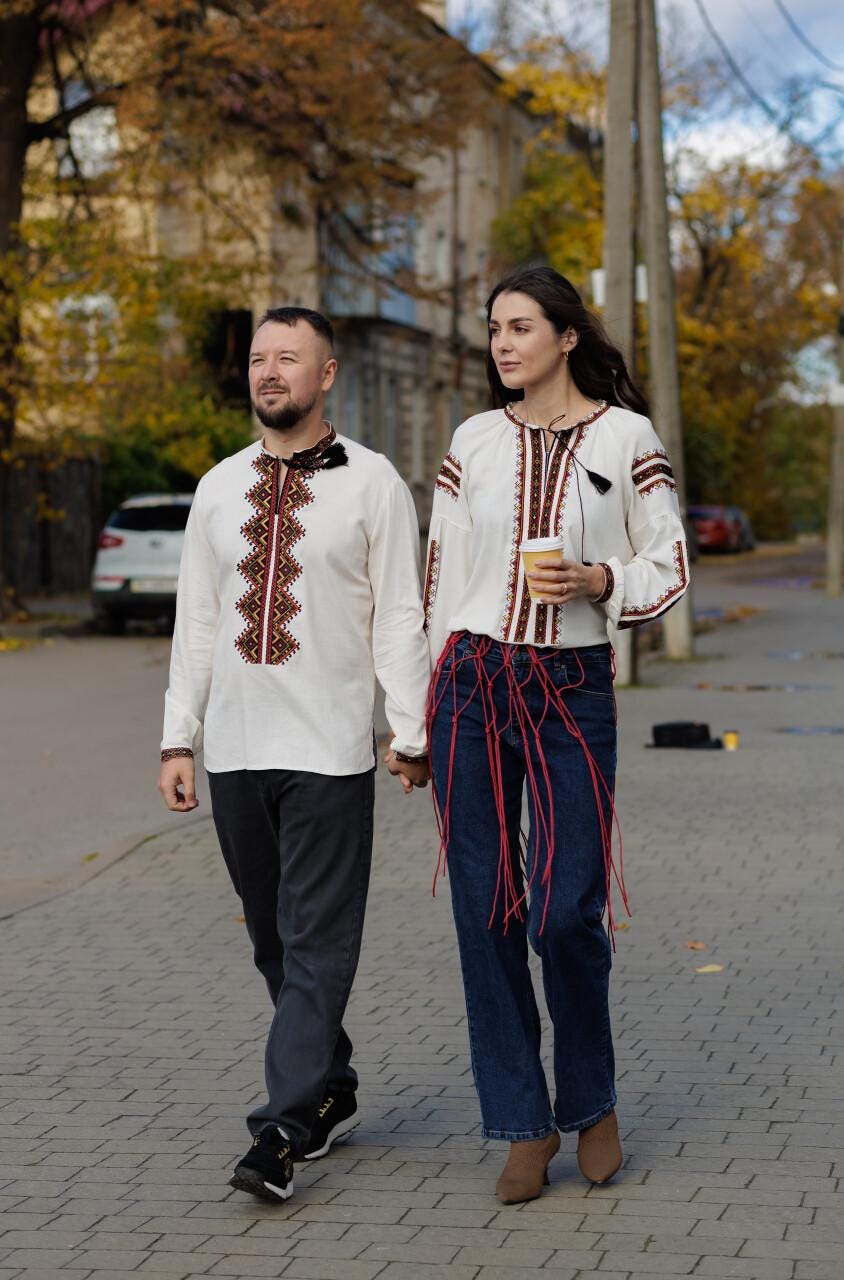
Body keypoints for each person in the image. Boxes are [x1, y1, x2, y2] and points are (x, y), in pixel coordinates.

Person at [424, 265, 689, 1205]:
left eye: (521, 327)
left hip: (572, 688)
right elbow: (438, 572)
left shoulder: (625, 437)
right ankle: (522, 1124)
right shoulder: (472, 440)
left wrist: (597, 582)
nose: (502, 343)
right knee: (485, 909)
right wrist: (416, 713)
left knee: (564, 911)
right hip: (468, 683)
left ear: (566, 337)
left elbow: (669, 559)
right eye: (494, 328)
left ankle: (593, 1100)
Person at [158, 306, 431, 1204]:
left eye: (288, 358)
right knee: (274, 942)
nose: (268, 372)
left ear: (327, 375)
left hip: (330, 747)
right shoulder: (217, 486)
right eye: (258, 359)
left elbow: (398, 613)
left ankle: (280, 1130)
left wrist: (410, 725)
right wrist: (177, 734)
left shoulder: (374, 483)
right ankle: (332, 1088)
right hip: (236, 746)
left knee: (316, 941)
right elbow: (195, 619)